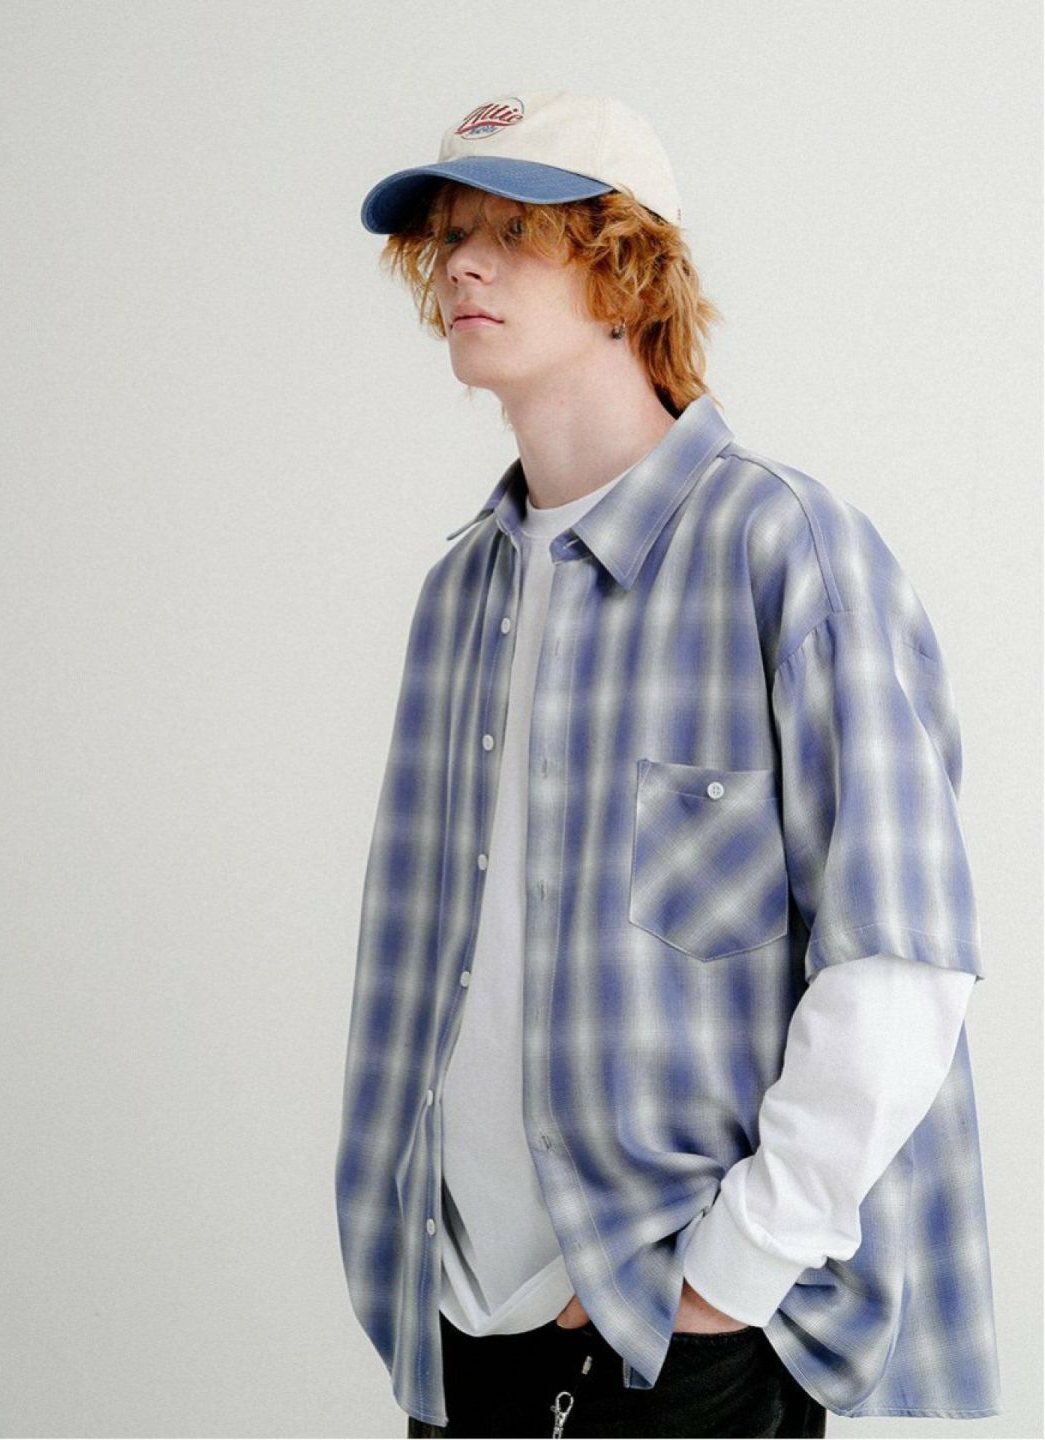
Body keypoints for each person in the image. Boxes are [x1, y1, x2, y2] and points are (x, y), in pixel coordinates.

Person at [334, 90, 1002, 1438]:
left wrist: (729, 1278)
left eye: (513, 231)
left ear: (626, 269)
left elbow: (901, 957)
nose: (464, 265)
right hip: (459, 1323)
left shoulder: (784, 548)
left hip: (682, 1334)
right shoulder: (461, 594)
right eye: (450, 234)